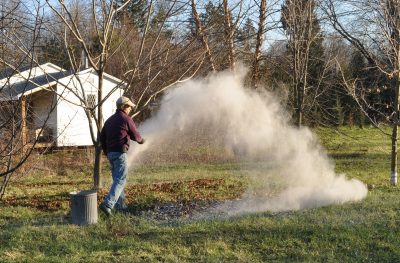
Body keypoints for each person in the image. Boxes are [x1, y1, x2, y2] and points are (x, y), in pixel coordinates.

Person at [99, 96, 145, 216]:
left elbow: (102, 138)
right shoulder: (126, 119)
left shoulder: (109, 120)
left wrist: (106, 151)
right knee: (120, 180)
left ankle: (120, 206)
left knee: (117, 180)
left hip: (111, 154)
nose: (130, 109)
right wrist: (142, 140)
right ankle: (108, 204)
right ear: (124, 107)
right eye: (129, 106)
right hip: (120, 153)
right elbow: (135, 135)